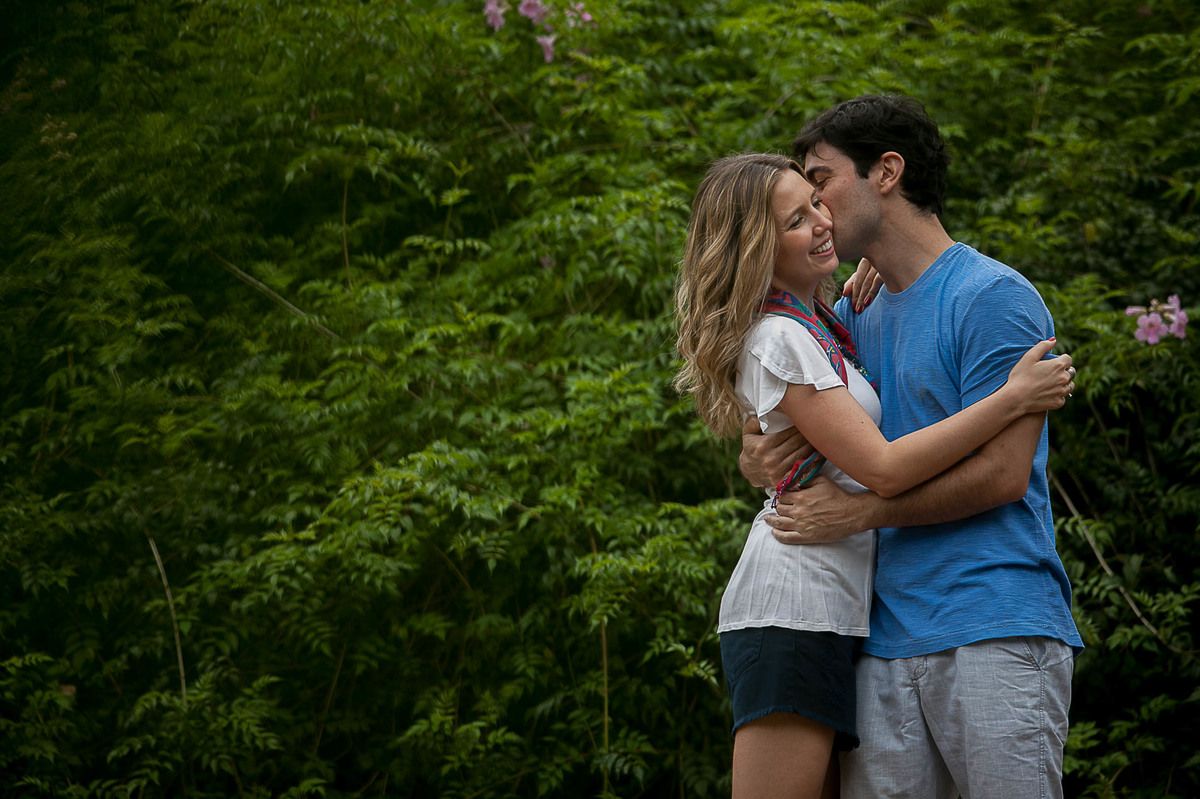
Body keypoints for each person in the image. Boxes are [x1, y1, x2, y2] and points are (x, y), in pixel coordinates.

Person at [674, 152, 1075, 799]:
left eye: (816, 201)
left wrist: (869, 268)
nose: (820, 221)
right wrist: (1010, 398)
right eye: (797, 219)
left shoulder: (828, 322)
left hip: (841, 613)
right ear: (757, 246)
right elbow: (882, 467)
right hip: (795, 605)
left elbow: (787, 431)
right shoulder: (781, 336)